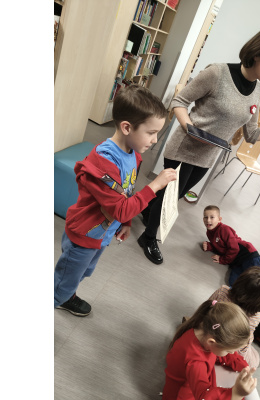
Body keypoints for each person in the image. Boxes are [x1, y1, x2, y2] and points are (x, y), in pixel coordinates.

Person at [137, 26, 260, 265]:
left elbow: (251, 134)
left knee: (175, 194)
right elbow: (180, 100)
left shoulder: (258, 90)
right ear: (258, 52)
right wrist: (190, 128)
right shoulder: (218, 73)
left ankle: (146, 210)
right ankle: (148, 237)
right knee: (171, 195)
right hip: (185, 147)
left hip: (208, 155)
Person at [54, 85, 178, 316]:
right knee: (60, 286)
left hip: (101, 234)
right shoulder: (105, 162)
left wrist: (126, 223)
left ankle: (67, 295)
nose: (154, 140)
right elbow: (120, 208)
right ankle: (61, 296)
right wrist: (154, 186)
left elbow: (125, 194)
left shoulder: (133, 155)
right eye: (151, 133)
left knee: (82, 273)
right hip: (83, 236)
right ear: (127, 127)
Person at [162, 300, 258, 400]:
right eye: (229, 351)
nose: (233, 353)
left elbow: (224, 353)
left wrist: (244, 366)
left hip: (195, 383)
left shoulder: (204, 332)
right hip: (183, 394)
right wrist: (236, 393)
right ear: (211, 342)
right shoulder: (196, 362)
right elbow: (203, 396)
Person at [208, 267, 260, 370]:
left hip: (209, 330)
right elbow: (242, 344)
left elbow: (206, 307)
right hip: (230, 347)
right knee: (254, 361)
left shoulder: (222, 291)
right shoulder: (255, 316)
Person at [201, 205, 260, 286]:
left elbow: (234, 248)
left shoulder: (224, 229)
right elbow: (220, 247)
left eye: (212, 217)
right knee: (233, 283)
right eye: (206, 217)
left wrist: (223, 260)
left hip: (248, 256)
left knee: (253, 281)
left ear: (219, 219)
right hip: (236, 262)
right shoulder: (209, 232)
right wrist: (210, 246)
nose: (208, 220)